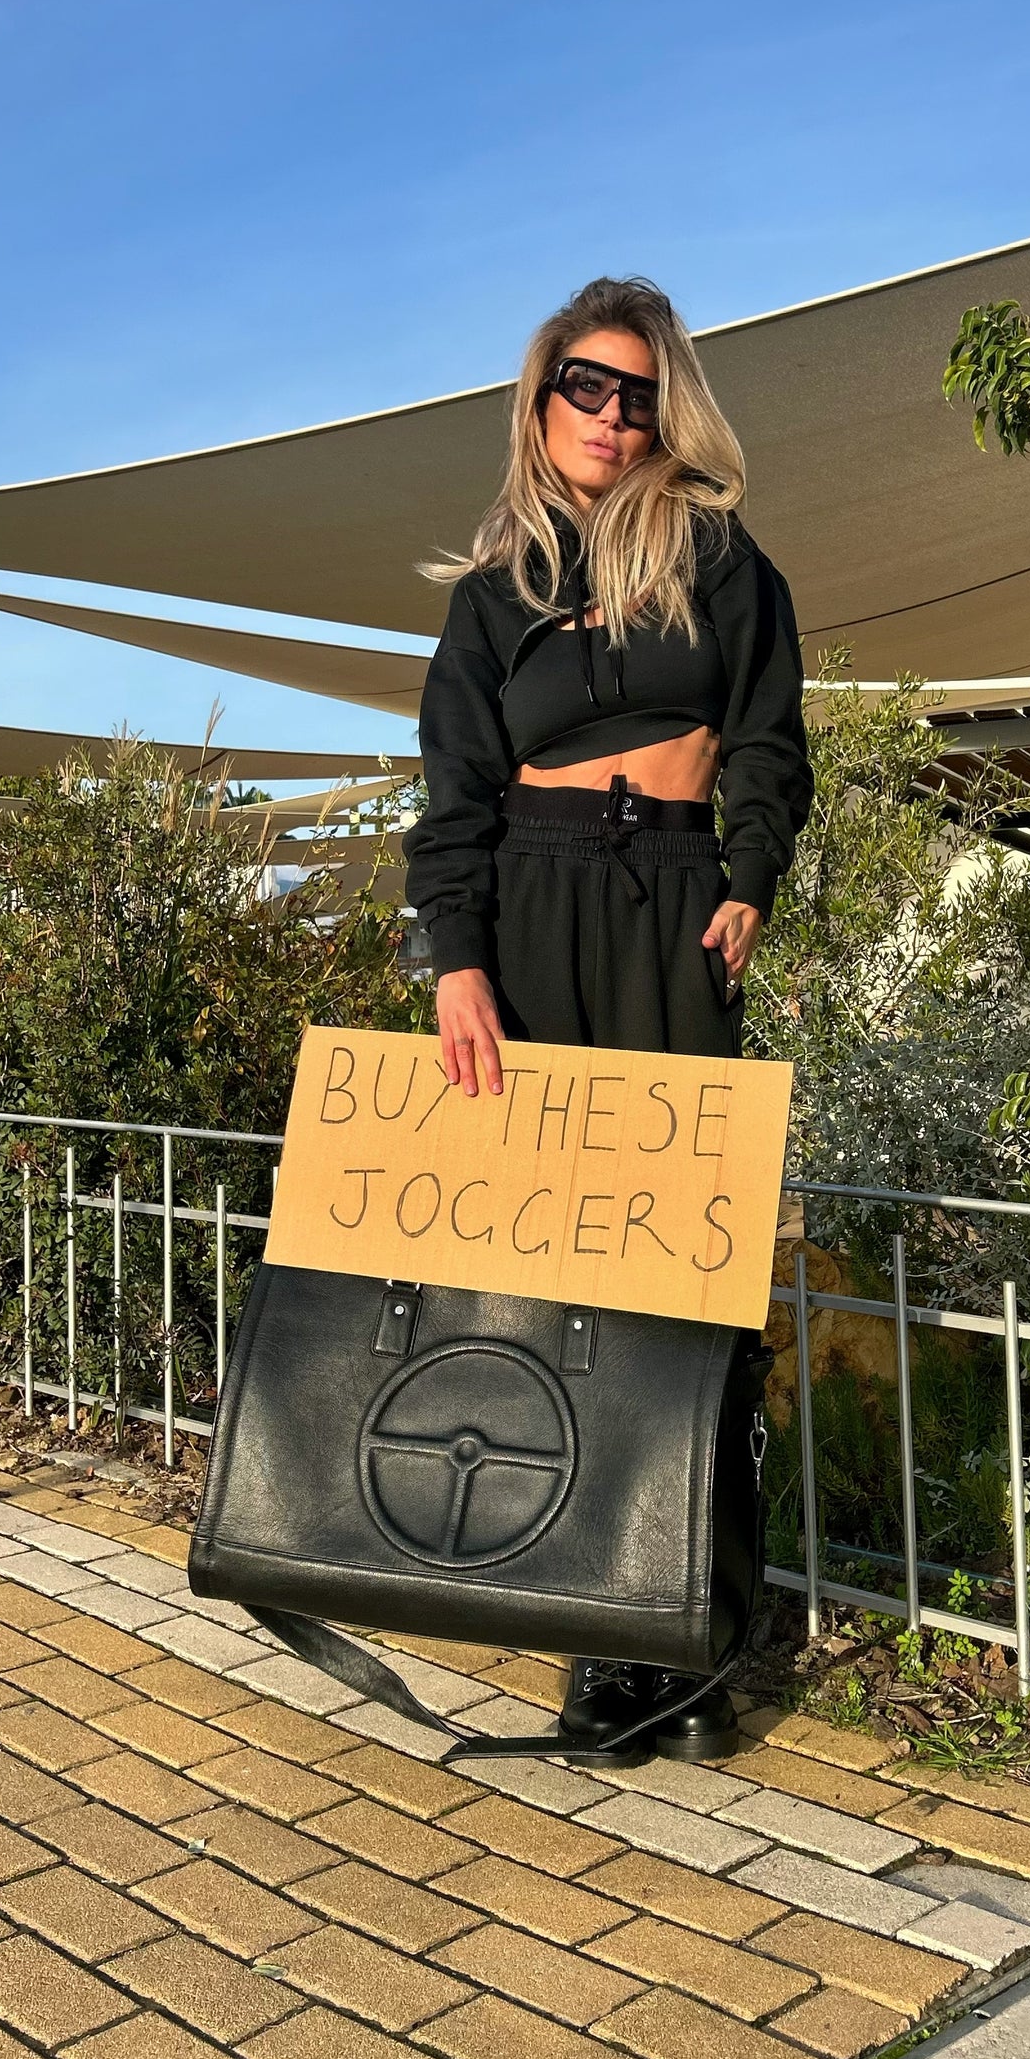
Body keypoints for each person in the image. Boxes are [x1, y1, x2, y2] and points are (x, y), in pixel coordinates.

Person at [405, 275, 812, 1761]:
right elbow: (453, 793)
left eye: (639, 393)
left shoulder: (717, 557)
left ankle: (691, 1642)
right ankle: (591, 1636)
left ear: (667, 412)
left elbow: (769, 737)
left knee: (686, 1277)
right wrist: (455, 962)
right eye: (585, 383)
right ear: (539, 398)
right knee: (553, 1278)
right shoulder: (491, 596)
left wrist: (749, 877)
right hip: (529, 910)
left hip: (677, 908)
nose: (611, 414)